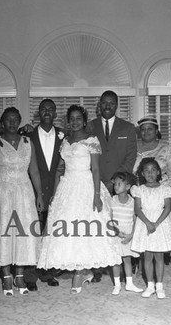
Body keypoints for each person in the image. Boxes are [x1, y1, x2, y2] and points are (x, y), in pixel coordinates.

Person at [37, 105, 122, 294]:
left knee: (86, 228)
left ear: (84, 121)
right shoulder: (65, 140)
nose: (74, 122)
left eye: (78, 118)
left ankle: (81, 272)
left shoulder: (91, 140)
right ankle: (80, 270)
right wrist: (55, 194)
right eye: (71, 118)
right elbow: (60, 168)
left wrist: (97, 196)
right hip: (67, 186)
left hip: (86, 185)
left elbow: (96, 169)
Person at [0, 107, 44, 296]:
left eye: (15, 119)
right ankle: (6, 276)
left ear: (19, 121)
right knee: (4, 232)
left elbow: (34, 171)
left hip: (24, 191)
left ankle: (19, 274)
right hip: (2, 192)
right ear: (2, 123)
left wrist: (39, 195)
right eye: (8, 120)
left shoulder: (28, 142)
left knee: (23, 233)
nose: (12, 123)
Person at [86, 90, 137, 282]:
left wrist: (115, 181)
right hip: (94, 185)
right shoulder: (90, 126)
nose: (108, 106)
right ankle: (97, 268)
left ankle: (125, 269)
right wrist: (98, 182)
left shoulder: (128, 128)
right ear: (99, 104)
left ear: (117, 105)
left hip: (120, 186)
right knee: (98, 227)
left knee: (121, 225)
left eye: (112, 103)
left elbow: (130, 157)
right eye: (104, 103)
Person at [23, 99, 63, 291]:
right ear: (38, 113)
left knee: (51, 232)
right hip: (33, 190)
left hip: (56, 190)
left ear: (55, 114)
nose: (47, 112)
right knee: (33, 231)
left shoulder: (65, 136)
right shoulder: (27, 136)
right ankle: (30, 275)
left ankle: (47, 271)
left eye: (51, 109)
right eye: (43, 109)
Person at [130, 158, 171, 299]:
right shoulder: (139, 190)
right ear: (142, 174)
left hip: (160, 223)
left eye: (153, 170)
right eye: (146, 171)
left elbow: (168, 207)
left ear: (158, 172)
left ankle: (159, 286)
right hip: (145, 223)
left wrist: (156, 224)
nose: (150, 173)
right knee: (148, 256)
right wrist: (147, 223)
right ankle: (150, 285)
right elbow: (138, 209)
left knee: (159, 256)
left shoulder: (165, 189)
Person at [109, 171, 143, 295]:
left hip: (128, 235)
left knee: (127, 259)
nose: (116, 186)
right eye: (115, 184)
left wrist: (131, 235)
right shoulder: (112, 200)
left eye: (119, 184)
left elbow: (135, 220)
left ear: (128, 187)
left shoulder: (133, 202)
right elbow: (109, 219)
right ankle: (117, 285)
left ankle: (129, 284)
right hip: (116, 234)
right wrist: (116, 231)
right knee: (116, 261)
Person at [133, 116, 171, 189]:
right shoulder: (132, 146)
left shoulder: (166, 147)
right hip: (137, 191)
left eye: (150, 129)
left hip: (161, 192)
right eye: (143, 129)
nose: (146, 132)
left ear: (156, 131)